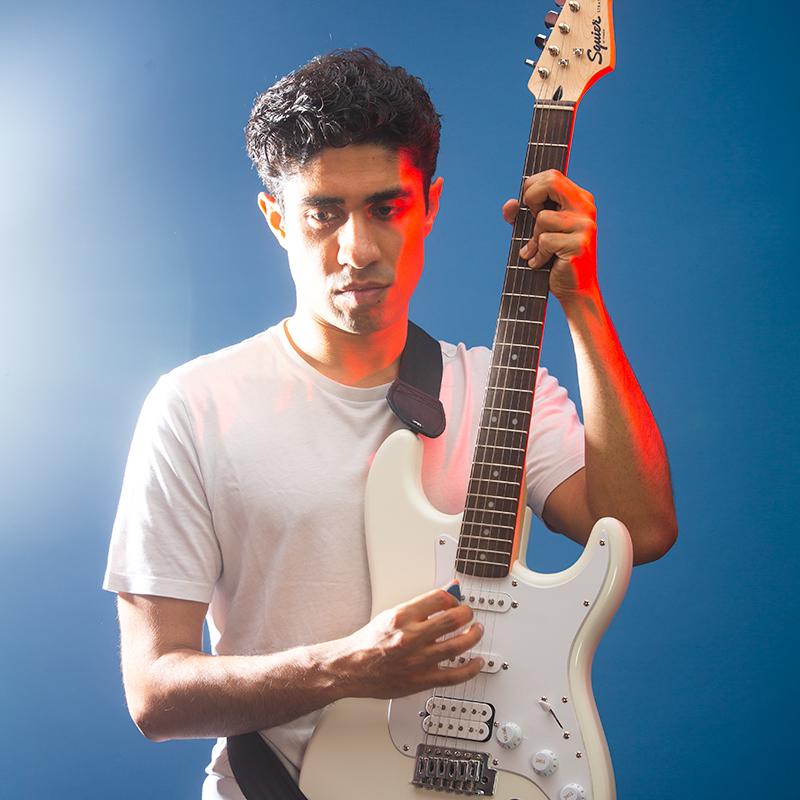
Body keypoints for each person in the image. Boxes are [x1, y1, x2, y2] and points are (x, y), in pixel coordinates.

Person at [103, 48, 677, 798]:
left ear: (430, 205)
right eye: (323, 213)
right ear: (277, 218)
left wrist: (584, 304)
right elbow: (153, 692)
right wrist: (348, 665)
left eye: (386, 207)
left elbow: (641, 529)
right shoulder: (192, 406)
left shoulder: (501, 390)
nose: (359, 250)